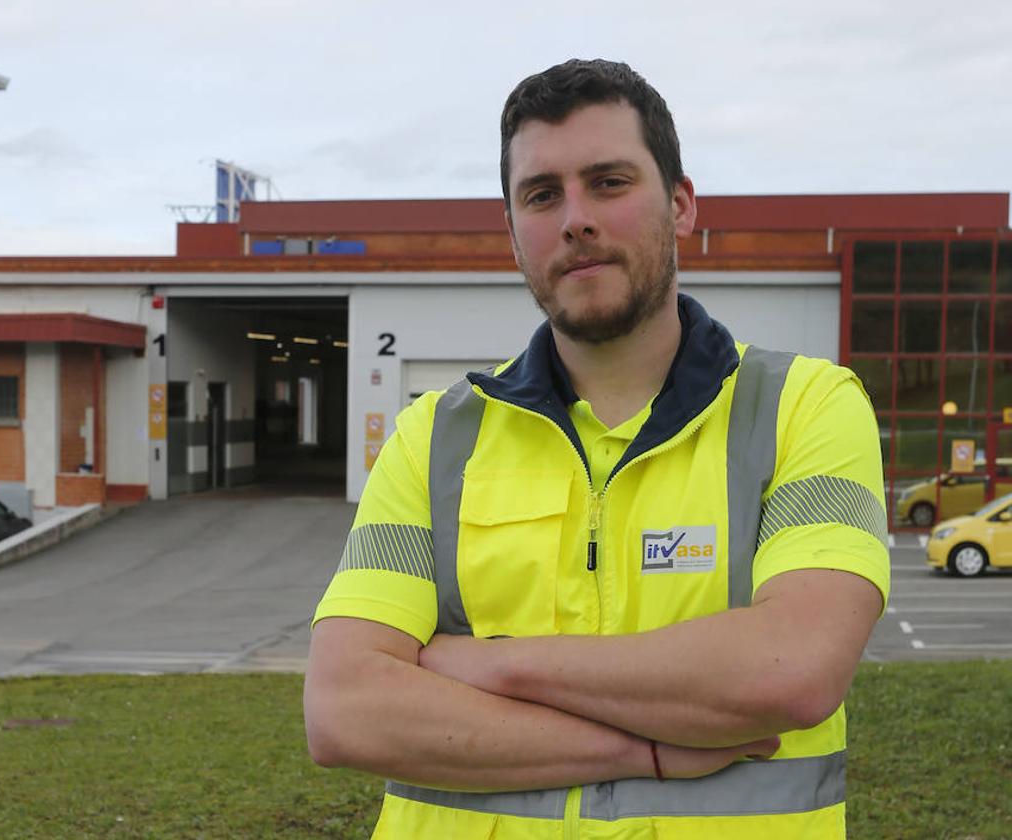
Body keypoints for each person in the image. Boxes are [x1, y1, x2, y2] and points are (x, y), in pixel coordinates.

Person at [303, 58, 889, 839]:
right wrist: (644, 751)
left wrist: (494, 663)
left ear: (680, 205)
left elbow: (792, 670)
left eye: (608, 182)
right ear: (512, 227)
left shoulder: (805, 409)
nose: (575, 217)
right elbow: (346, 712)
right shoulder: (432, 439)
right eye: (542, 195)